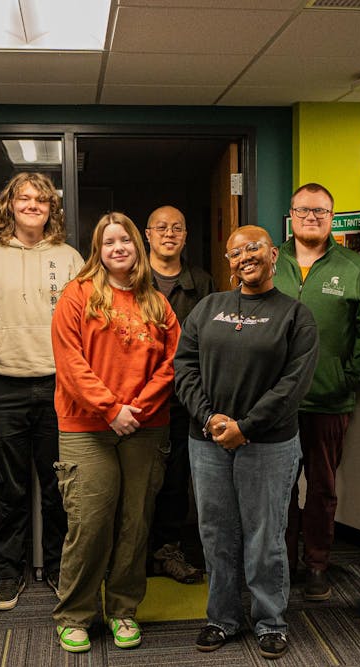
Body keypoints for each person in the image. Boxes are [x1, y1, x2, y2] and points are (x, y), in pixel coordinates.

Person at [175, 225, 319, 660]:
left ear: (274, 254)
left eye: (254, 248)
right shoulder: (208, 307)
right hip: (208, 441)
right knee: (216, 534)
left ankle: (270, 620)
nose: (245, 257)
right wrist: (209, 416)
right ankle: (221, 617)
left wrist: (247, 426)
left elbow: (293, 384)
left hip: (268, 444)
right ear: (229, 262)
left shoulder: (295, 315)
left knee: (265, 536)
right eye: (236, 252)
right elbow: (184, 367)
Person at [50, 212, 179, 654]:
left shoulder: (156, 301)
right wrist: (109, 409)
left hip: (144, 427)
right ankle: (75, 615)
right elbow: (69, 363)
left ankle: (123, 610)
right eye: (109, 243)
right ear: (98, 251)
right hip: (87, 427)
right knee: (89, 524)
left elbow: (173, 362)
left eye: (125, 240)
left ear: (137, 247)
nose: (118, 248)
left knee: (134, 522)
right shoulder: (77, 295)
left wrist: (137, 410)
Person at [0, 172, 84, 610]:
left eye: (41, 199)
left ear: (51, 209)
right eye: (24, 198)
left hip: (60, 387)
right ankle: (8, 574)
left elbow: (83, 326)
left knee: (60, 487)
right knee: (8, 488)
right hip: (5, 387)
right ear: (9, 206)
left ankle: (57, 569)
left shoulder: (71, 258)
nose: (32, 205)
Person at [274, 183, 360, 601]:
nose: (311, 218)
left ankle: (318, 562)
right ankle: (282, 562)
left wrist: (348, 377)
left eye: (320, 211)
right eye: (303, 210)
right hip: (277, 404)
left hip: (329, 400)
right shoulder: (271, 260)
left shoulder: (354, 268)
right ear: (291, 214)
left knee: (321, 488)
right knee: (279, 489)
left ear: (331, 217)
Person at [144, 205, 214, 584]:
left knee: (176, 480)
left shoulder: (202, 283)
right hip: (135, 400)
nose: (169, 234)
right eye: (161, 228)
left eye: (177, 228)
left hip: (183, 398)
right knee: (138, 480)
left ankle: (168, 550)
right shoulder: (133, 279)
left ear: (185, 237)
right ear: (147, 234)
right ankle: (135, 554)